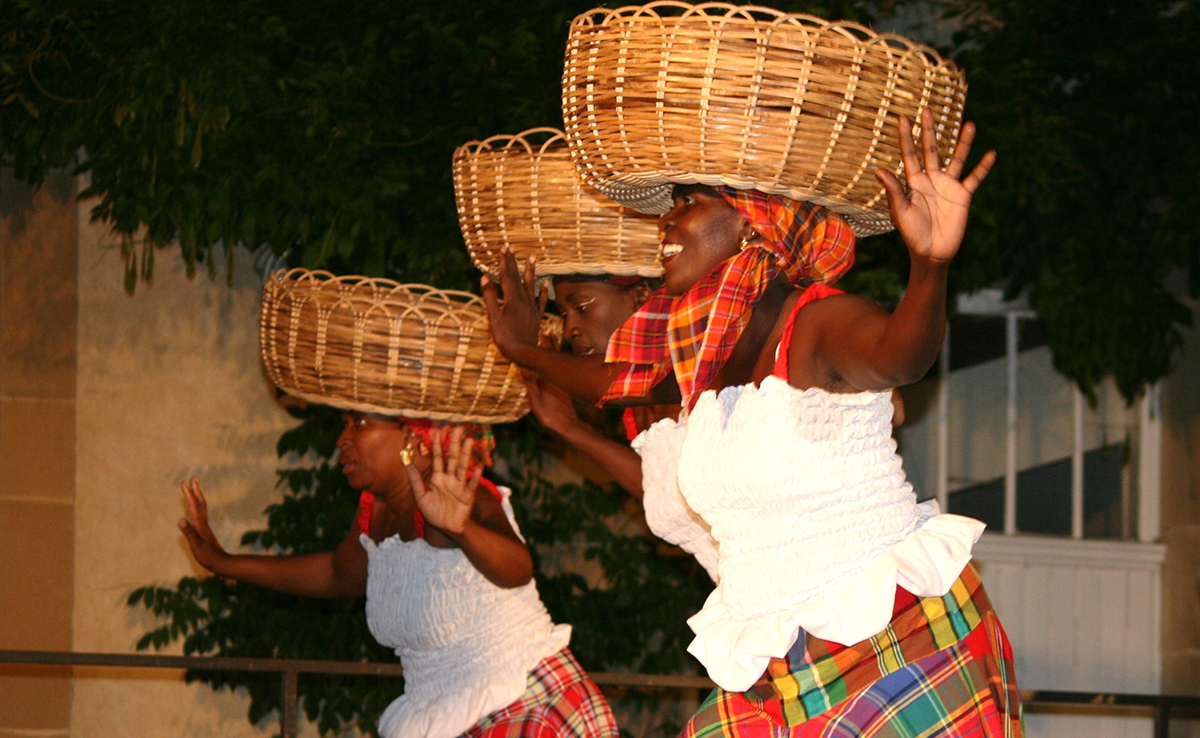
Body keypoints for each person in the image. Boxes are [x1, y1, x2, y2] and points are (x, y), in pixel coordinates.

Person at [484, 110, 1021, 736]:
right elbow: (611, 383)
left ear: (749, 220)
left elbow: (901, 358)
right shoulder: (704, 353)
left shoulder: (817, 323)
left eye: (688, 203)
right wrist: (522, 351)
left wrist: (930, 265)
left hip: (888, 634)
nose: (667, 222)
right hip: (779, 649)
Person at [180, 284, 620, 738]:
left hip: (523, 703)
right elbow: (336, 574)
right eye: (345, 423)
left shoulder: (459, 494)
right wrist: (225, 563)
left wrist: (461, 529)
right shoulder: (376, 510)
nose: (342, 439)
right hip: (450, 715)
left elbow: (518, 569)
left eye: (359, 423)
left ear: (413, 435)